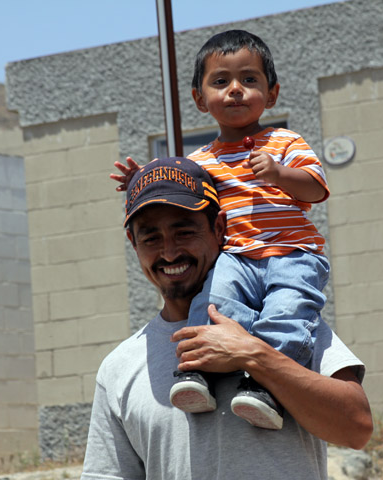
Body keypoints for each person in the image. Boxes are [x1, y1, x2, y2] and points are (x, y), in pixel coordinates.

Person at [83, 157, 372, 480]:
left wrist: (255, 355)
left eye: (184, 232)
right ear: (133, 244)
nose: (169, 252)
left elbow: (356, 428)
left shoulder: (286, 324)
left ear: (219, 229)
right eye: (151, 238)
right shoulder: (119, 368)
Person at [111, 30, 331, 430]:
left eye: (249, 79)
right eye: (220, 81)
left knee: (287, 312)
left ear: (272, 93)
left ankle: (265, 388)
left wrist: (280, 174)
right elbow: (176, 187)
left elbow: (316, 188)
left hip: (292, 254)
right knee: (212, 303)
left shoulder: (284, 142)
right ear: (200, 99)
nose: (235, 89)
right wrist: (140, 179)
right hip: (235, 256)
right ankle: (196, 372)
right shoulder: (201, 161)